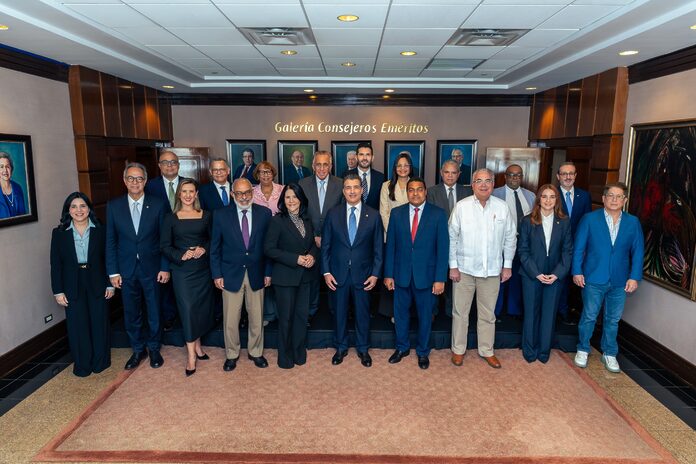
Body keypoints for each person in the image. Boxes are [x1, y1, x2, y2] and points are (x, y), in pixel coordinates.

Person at [572, 182, 644, 373]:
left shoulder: (633, 222)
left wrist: (634, 277)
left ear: (624, 200)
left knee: (613, 319)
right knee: (589, 316)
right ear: (603, 198)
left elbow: (638, 252)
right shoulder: (589, 219)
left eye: (618, 196)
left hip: (620, 280)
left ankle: (609, 353)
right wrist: (577, 271)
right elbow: (578, 248)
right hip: (593, 277)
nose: (614, 199)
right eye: (610, 195)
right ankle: (583, 349)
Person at [449, 168, 516, 369]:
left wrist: (507, 266)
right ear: (472, 185)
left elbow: (510, 238)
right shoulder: (461, 207)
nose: (484, 185)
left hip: (492, 271)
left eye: (488, 181)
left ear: (493, 184)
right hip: (464, 270)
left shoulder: (502, 208)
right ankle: (458, 349)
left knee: (488, 315)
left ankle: (487, 350)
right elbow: (452, 238)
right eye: (479, 181)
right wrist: (453, 266)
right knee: (460, 313)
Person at [106, 163, 170, 370]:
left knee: (154, 310)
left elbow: (165, 240)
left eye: (139, 178)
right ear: (125, 181)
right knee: (131, 312)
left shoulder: (158, 204)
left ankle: (154, 348)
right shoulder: (114, 206)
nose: (135, 182)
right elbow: (111, 241)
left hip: (153, 268)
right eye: (131, 178)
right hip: (126, 269)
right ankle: (137, 349)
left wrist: (165, 267)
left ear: (145, 181)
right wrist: (113, 271)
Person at [384, 178, 448, 369]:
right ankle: (402, 348)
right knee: (400, 315)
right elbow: (391, 247)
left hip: (427, 277)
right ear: (407, 193)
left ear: (425, 192)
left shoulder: (438, 214)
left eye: (419, 189)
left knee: (425, 317)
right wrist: (388, 274)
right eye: (411, 190)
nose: (415, 193)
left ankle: (422, 352)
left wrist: (440, 278)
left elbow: (442, 249)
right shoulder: (397, 213)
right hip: (401, 275)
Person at [210, 178, 272, 372]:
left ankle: (256, 351)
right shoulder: (220, 215)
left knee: (256, 317)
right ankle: (232, 354)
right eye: (239, 193)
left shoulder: (265, 213)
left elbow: (268, 247)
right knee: (230, 319)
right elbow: (215, 248)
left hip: (257, 272)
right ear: (232, 194)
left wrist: (268, 272)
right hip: (230, 274)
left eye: (247, 193)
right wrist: (217, 274)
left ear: (252, 193)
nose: (244, 197)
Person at [321, 174, 383, 367]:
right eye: (348, 187)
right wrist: (326, 272)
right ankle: (341, 347)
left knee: (362, 313)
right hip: (337, 274)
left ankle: (363, 348)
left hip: (364, 275)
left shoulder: (374, 215)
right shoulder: (333, 214)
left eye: (356, 187)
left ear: (361, 190)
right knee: (339, 313)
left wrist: (375, 274)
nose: (352, 191)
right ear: (343, 191)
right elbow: (326, 246)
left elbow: (378, 248)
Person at [50, 192, 113, 376]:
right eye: (74, 206)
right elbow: (56, 264)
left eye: (83, 206)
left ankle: (101, 362)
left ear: (89, 209)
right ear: (68, 210)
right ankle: (82, 365)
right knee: (77, 326)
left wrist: (110, 284)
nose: (79, 210)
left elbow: (108, 258)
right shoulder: (59, 233)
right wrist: (58, 291)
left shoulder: (101, 230)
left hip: (98, 280)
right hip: (71, 283)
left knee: (99, 322)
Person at [160, 179, 214, 376]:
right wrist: (181, 255)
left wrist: (203, 249)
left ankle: (198, 346)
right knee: (188, 309)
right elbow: (164, 246)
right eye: (184, 191)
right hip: (182, 271)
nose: (188, 195)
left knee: (200, 309)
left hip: (202, 269)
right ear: (179, 195)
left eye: (192, 191)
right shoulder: (170, 218)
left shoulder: (206, 215)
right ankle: (191, 356)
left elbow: (213, 240)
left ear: (196, 194)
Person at [264, 184, 319, 368]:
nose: (291, 201)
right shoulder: (277, 221)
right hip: (285, 278)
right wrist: (296, 259)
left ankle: (298, 353)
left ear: (301, 199)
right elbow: (269, 249)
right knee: (286, 319)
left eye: (295, 197)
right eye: (287, 197)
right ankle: (285, 357)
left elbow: (312, 244)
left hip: (305, 277)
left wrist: (312, 256)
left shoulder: (307, 220)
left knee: (301, 318)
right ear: (283, 200)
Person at [517, 184, 572, 363]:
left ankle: (543, 352)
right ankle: (529, 350)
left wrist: (557, 274)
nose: (548, 200)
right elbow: (523, 251)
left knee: (549, 315)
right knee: (531, 314)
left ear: (557, 200)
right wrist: (536, 273)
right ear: (539, 199)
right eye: (544, 196)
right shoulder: (528, 221)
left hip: (555, 276)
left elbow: (567, 251)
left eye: (552, 197)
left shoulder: (564, 221)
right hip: (531, 274)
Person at [299, 151, 343, 319]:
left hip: (334, 241)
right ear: (313, 166)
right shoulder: (303, 184)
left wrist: (327, 237)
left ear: (331, 166)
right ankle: (311, 313)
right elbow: (301, 213)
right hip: (309, 241)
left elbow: (342, 214)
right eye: (318, 164)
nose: (322, 168)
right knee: (311, 280)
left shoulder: (340, 184)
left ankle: (335, 312)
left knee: (334, 277)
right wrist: (314, 236)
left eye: (325, 164)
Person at [426, 160, 473, 317]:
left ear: (459, 174)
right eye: (447, 172)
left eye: (454, 172)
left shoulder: (468, 192)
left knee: (456, 279)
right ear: (441, 173)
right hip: (436, 242)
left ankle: (451, 313)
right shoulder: (431, 192)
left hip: (461, 243)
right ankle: (432, 312)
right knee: (436, 276)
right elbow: (428, 218)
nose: (450, 176)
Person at [144, 150, 182, 330]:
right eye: (165, 162)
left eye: (173, 162)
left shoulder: (189, 184)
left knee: (183, 281)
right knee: (163, 282)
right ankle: (168, 317)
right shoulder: (149, 186)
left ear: (178, 165)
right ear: (159, 166)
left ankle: (185, 316)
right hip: (159, 241)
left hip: (185, 241)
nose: (169, 165)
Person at [492, 164, 536, 318]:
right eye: (511, 174)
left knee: (518, 276)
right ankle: (496, 311)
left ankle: (513, 311)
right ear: (505, 176)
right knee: (499, 277)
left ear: (522, 177)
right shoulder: (495, 194)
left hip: (524, 244)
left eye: (518, 175)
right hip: (501, 243)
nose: (515, 178)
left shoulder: (531, 196)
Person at [556, 162, 592, 324]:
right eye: (564, 173)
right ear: (558, 176)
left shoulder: (584, 196)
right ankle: (559, 311)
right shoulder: (552, 194)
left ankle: (568, 310)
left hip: (577, 246)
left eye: (571, 173)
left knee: (575, 279)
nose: (568, 177)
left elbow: (587, 223)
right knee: (559, 279)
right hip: (556, 246)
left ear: (576, 176)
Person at [251, 160, 283, 325]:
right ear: (257, 175)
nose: (265, 175)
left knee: (279, 275)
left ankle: (281, 312)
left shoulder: (282, 190)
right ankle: (268, 313)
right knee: (264, 275)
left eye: (268, 171)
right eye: (262, 172)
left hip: (281, 239)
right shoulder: (251, 192)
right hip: (259, 239)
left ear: (273, 173)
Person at [379, 151, 412, 235]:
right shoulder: (386, 186)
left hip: (411, 232)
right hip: (391, 231)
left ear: (410, 167)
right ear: (395, 167)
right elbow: (383, 212)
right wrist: (392, 231)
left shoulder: (416, 185)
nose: (402, 168)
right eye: (399, 166)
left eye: (406, 165)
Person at [345, 142, 385, 210]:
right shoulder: (346, 175)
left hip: (374, 216)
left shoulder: (381, 178)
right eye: (361, 154)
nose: (364, 158)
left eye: (368, 155)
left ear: (372, 158)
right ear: (356, 157)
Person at [0, 151, 27, 219]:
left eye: (7, 167)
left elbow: (23, 215)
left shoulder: (18, 188)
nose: (5, 170)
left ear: (11, 169)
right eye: (1, 167)